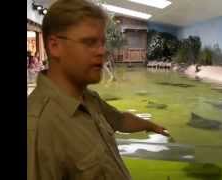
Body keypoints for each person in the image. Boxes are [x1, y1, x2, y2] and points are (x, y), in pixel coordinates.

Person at [27, 0, 169, 180]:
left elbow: (120, 120)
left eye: (102, 42)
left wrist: (151, 125)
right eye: (89, 42)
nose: (102, 51)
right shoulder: (37, 128)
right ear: (55, 46)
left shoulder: (88, 98)